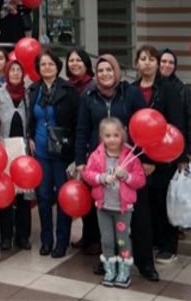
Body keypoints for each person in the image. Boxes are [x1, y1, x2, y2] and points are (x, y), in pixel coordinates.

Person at [75, 55, 157, 281]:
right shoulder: (88, 95)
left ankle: (145, 263)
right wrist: (81, 160)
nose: (104, 74)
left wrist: (148, 159)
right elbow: (82, 129)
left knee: (139, 218)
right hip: (101, 162)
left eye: (109, 70)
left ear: (116, 71)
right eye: (100, 71)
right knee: (105, 220)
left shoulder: (130, 93)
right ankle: (108, 261)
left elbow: (146, 123)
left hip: (131, 163)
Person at [132, 45, 184, 265]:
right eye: (143, 58)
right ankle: (152, 239)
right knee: (147, 202)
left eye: (152, 59)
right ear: (137, 63)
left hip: (163, 156)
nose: (147, 62)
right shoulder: (132, 89)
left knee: (164, 200)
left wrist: (158, 160)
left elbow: (176, 123)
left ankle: (168, 245)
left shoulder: (168, 89)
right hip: (139, 158)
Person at [82, 118, 146, 289]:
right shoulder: (96, 155)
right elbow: (88, 174)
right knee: (107, 240)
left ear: (122, 135)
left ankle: (124, 271)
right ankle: (110, 270)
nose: (112, 139)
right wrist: (102, 178)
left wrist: (125, 176)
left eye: (116, 135)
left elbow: (140, 180)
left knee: (122, 241)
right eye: (107, 135)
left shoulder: (130, 156)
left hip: (123, 209)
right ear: (102, 137)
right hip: (103, 207)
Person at [27, 50, 78, 258]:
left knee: (63, 196)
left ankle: (62, 241)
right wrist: (29, 136)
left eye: (50, 64)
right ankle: (46, 240)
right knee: (44, 196)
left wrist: (76, 152)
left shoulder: (69, 90)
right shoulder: (33, 90)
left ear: (57, 67)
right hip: (40, 151)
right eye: (42, 65)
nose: (46, 68)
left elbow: (77, 122)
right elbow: (31, 118)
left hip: (62, 152)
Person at [0, 60, 32, 251]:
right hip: (5, 148)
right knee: (6, 194)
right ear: (6, 73)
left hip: (24, 150)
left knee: (24, 195)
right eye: (12, 70)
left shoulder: (29, 94)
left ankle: (23, 236)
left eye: (18, 70)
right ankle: (6, 236)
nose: (15, 73)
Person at [65, 48, 99, 254]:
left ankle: (95, 238)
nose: (74, 63)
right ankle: (86, 236)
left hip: (90, 147)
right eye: (71, 60)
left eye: (79, 60)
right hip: (73, 146)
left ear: (86, 64)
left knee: (94, 194)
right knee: (81, 193)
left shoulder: (92, 87)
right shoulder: (68, 87)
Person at [158, 48, 191, 163]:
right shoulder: (149, 87)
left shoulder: (183, 90)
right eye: (163, 61)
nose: (167, 65)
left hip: (177, 149)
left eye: (171, 62)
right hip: (154, 147)